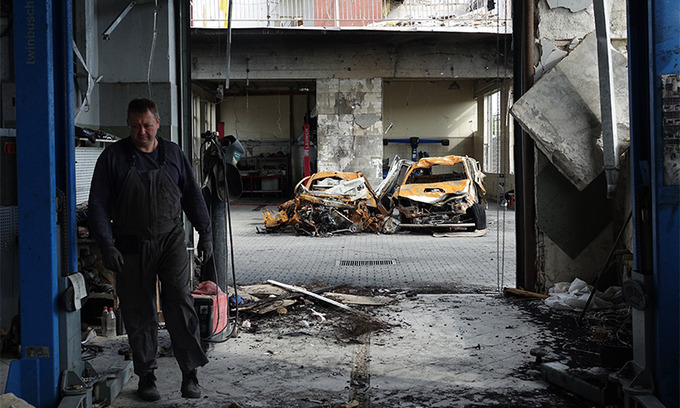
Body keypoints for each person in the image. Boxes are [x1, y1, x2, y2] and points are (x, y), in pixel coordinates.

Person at [88, 98, 213, 401]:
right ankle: (147, 377)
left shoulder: (173, 154)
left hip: (170, 239)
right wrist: (107, 244)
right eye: (134, 126)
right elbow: (98, 206)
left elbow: (193, 197)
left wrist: (205, 232)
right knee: (138, 310)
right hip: (131, 244)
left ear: (158, 122)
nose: (141, 131)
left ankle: (190, 375)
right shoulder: (113, 158)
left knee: (179, 304)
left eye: (146, 125)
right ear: (128, 125)